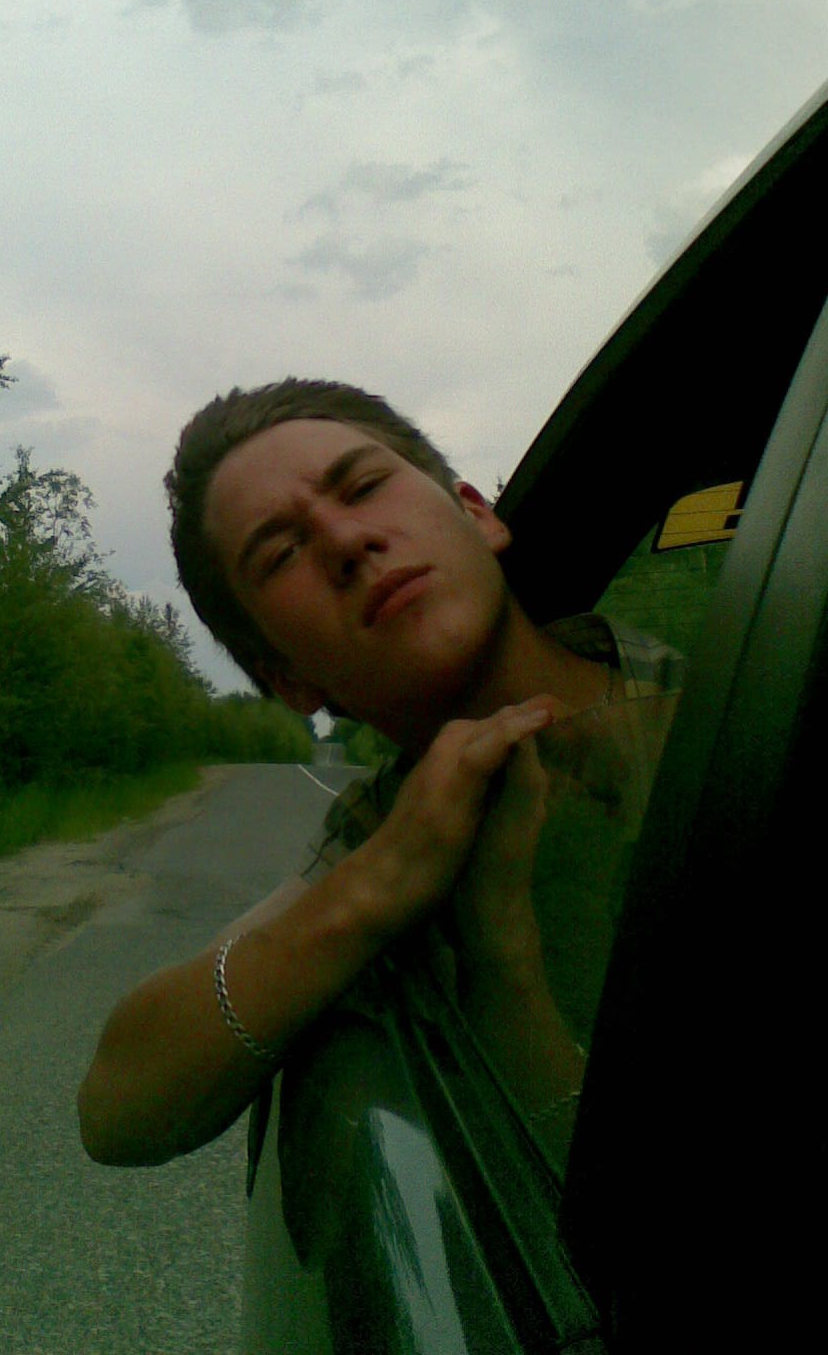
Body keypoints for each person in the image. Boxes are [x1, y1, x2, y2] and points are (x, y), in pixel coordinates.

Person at [77, 379, 678, 1167]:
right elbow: (117, 1111)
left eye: (363, 486)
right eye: (281, 553)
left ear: (475, 512)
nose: (345, 539)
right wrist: (380, 884)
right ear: (288, 680)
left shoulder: (752, 689)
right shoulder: (386, 838)